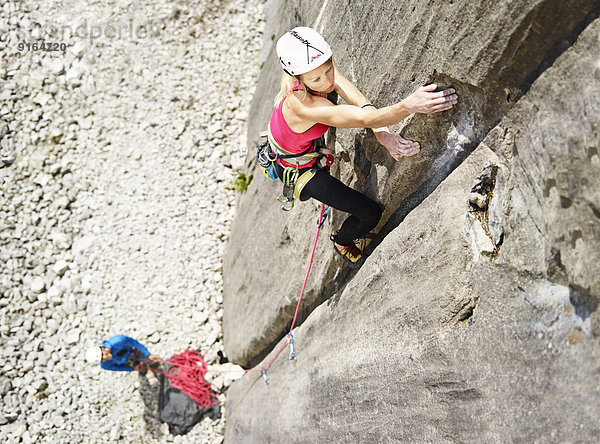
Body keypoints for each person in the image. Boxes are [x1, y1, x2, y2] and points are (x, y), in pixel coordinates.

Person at [268, 27, 458, 267]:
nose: (327, 82)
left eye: (328, 69)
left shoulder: (311, 72)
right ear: (298, 79)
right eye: (316, 79)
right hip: (299, 170)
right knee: (369, 214)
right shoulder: (303, 105)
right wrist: (408, 106)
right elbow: (365, 118)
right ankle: (342, 242)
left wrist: (380, 131)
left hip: (302, 148)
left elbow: (344, 89)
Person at [85, 334, 159, 372]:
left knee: (154, 361)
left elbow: (134, 343)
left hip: (136, 352)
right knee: (142, 368)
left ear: (102, 348)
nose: (105, 357)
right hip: (129, 363)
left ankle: (154, 363)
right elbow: (119, 368)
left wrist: (148, 354)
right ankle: (143, 369)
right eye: (102, 359)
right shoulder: (104, 365)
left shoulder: (118, 340)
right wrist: (132, 369)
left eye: (102, 354)